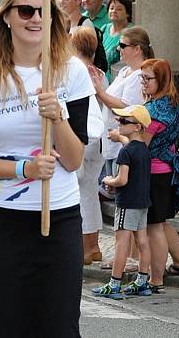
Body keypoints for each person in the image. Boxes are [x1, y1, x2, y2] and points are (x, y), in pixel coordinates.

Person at [0, 0, 93, 338]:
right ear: (7, 17)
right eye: (25, 10)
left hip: (58, 216)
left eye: (42, 11)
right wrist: (24, 168)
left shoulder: (72, 72)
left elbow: (75, 159)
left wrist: (57, 115)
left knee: (59, 325)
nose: (35, 18)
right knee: (3, 324)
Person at [136, 58, 179, 293]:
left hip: (154, 173)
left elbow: (141, 147)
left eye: (148, 78)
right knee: (161, 223)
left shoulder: (153, 111)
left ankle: (156, 279)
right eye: (142, 77)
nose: (143, 83)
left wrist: (123, 137)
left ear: (162, 80)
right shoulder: (173, 104)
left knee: (154, 227)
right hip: (167, 171)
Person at [93, 105, 153, 298]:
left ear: (137, 127)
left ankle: (114, 284)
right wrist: (120, 138)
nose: (119, 123)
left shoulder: (125, 153)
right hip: (142, 202)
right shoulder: (143, 149)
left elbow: (122, 180)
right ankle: (143, 281)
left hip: (127, 203)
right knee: (142, 242)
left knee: (121, 244)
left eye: (124, 121)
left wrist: (108, 180)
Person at [71, 27, 107, 265]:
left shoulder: (76, 71)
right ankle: (93, 246)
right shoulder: (100, 72)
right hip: (99, 138)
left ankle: (85, 246)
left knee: (79, 191)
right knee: (90, 191)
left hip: (83, 136)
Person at [58, 0, 108, 73]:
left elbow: (90, 56)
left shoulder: (86, 24)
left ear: (78, 0)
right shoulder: (58, 23)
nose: (62, 2)